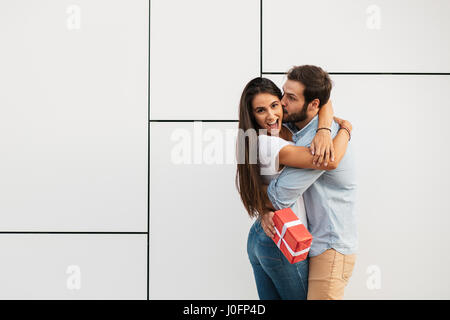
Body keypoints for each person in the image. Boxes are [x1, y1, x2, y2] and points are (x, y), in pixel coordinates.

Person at [236, 76, 352, 299]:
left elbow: (322, 100)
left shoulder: (268, 135)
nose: (271, 116)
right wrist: (344, 130)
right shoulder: (269, 144)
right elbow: (328, 160)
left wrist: (323, 130)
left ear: (282, 102)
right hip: (283, 239)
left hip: (262, 233)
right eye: (261, 111)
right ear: (252, 116)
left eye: (274, 105)